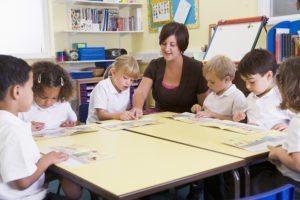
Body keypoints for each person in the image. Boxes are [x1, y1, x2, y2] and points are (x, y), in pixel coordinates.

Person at [0, 55, 80, 200]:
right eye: (31, 88)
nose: (32, 93)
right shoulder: (14, 129)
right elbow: (22, 182)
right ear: (16, 91)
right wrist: (46, 161)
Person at [132, 22, 209, 117]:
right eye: (164, 44)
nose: (167, 49)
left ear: (181, 46)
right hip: (160, 120)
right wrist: (137, 107)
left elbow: (205, 105)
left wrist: (199, 109)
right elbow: (140, 92)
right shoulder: (154, 65)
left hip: (188, 122)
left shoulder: (197, 68)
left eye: (172, 45)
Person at [252, 57, 300, 198]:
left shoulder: (297, 121)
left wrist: (278, 153)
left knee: (251, 178)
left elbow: (298, 164)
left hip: (292, 184)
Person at [233, 49, 291, 131]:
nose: (247, 86)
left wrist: (290, 128)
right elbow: (244, 118)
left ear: (268, 75)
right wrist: (238, 118)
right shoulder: (250, 97)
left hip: (276, 140)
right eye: (245, 81)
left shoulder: (283, 97)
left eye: (251, 82)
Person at [19, 61, 77, 131]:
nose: (48, 103)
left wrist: (70, 124)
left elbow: (74, 122)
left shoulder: (63, 104)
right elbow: (11, 129)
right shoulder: (23, 108)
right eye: (43, 97)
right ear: (32, 90)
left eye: (54, 98)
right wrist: (26, 127)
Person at [191, 55, 247, 120]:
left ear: (226, 79)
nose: (208, 85)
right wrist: (198, 108)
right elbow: (206, 112)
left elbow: (236, 120)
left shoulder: (237, 97)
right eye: (207, 81)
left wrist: (212, 114)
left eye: (212, 82)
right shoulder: (212, 94)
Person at [86, 55, 140, 122]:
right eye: (125, 78)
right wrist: (119, 115)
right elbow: (101, 115)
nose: (128, 83)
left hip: (116, 125)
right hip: (98, 128)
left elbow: (124, 111)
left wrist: (132, 112)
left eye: (132, 80)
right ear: (114, 73)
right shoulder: (102, 87)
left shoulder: (125, 87)